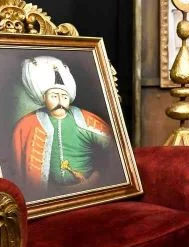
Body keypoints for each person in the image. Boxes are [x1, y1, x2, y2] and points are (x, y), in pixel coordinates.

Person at [11, 55, 115, 200]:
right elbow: (18, 169)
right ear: (43, 98)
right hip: (50, 197)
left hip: (89, 191)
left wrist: (96, 177)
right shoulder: (27, 124)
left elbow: (114, 151)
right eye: (54, 96)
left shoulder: (88, 121)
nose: (60, 101)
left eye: (64, 97)